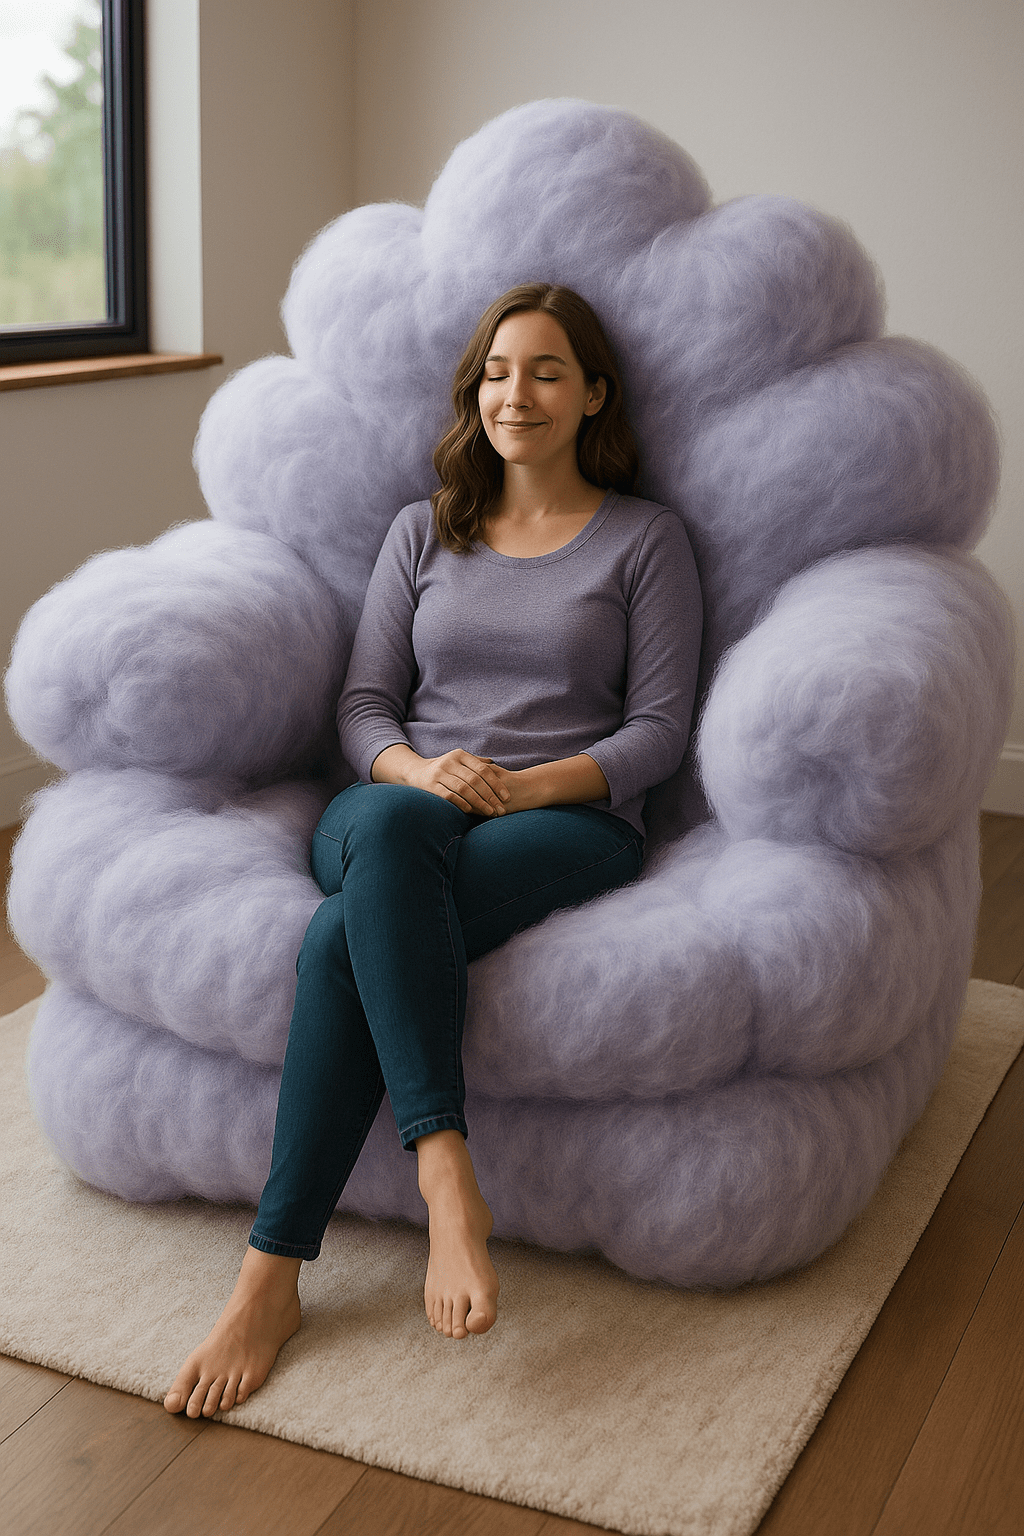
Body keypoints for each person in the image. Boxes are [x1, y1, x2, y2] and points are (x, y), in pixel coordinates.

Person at [164, 282, 703, 1419]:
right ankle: (446, 1167)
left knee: (338, 939)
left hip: (564, 819)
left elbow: (658, 731)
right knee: (391, 832)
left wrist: (519, 787)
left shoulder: (646, 539)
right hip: (400, 805)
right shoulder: (424, 529)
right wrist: (420, 773)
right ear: (474, 393)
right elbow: (364, 706)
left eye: (547, 371)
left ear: (593, 394)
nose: (518, 393)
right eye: (498, 372)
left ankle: (270, 1273)